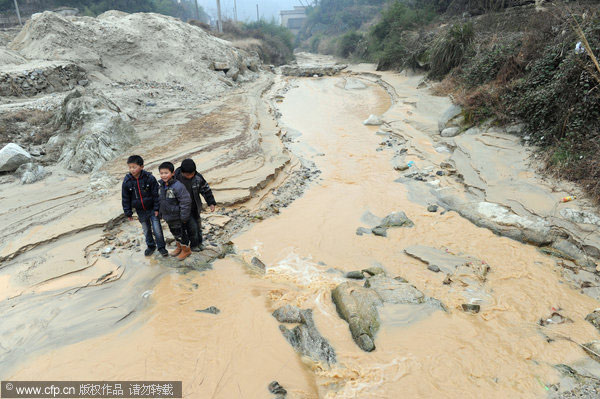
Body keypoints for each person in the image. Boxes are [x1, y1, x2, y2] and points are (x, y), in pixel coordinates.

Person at [122, 155, 167, 257]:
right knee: (146, 229)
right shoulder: (127, 181)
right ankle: (151, 246)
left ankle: (161, 247)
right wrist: (128, 212)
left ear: (141, 167)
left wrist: (157, 208)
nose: (132, 170)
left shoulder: (149, 178)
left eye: (134, 167)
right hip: (140, 210)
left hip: (152, 209)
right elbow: (125, 198)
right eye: (130, 167)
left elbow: (156, 194)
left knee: (157, 229)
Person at [174, 158, 216, 252]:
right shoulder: (176, 179)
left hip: (195, 207)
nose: (190, 176)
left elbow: (206, 190)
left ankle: (200, 243)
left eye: (192, 174)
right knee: (192, 228)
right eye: (188, 175)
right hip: (184, 209)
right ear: (182, 172)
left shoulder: (197, 177)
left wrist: (211, 203)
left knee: (198, 226)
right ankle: (193, 245)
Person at [158, 161, 193, 261]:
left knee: (181, 234)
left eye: (166, 173)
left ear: (172, 173)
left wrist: (184, 216)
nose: (163, 175)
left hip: (178, 216)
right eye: (161, 173)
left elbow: (185, 202)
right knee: (174, 232)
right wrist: (160, 212)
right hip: (168, 216)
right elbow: (161, 200)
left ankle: (186, 250)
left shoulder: (178, 186)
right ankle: (179, 247)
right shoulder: (161, 186)